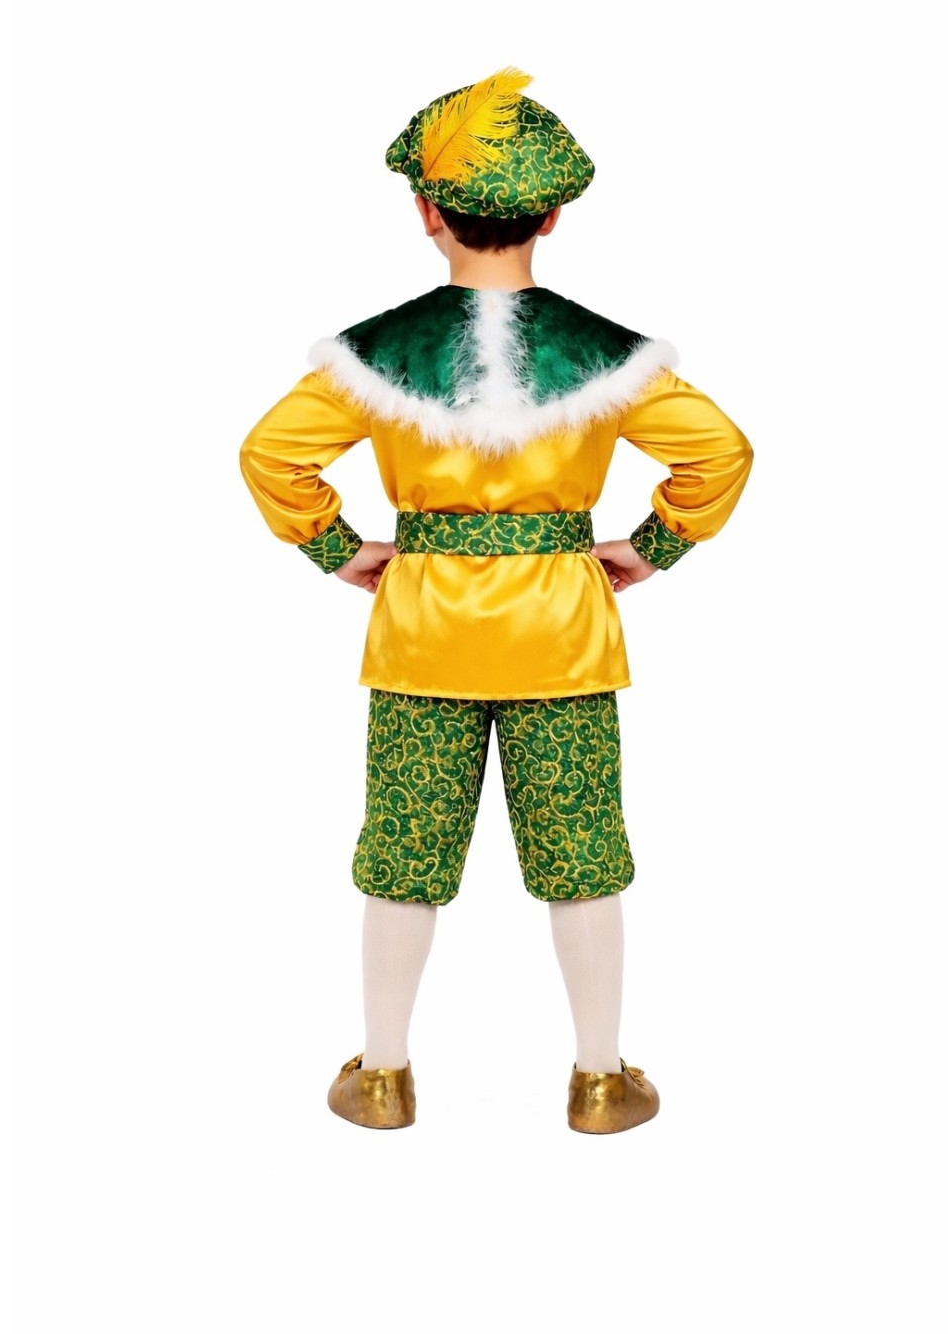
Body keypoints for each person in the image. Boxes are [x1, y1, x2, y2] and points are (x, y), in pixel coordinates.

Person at [240, 68, 753, 1134]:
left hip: (421, 631)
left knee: (402, 854)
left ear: (426, 211)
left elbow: (271, 454)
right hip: (561, 632)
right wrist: (650, 546)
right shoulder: (605, 356)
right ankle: (600, 1081)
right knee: (582, 854)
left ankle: (382, 1077)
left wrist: (338, 549)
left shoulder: (376, 355)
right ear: (553, 216)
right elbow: (719, 451)